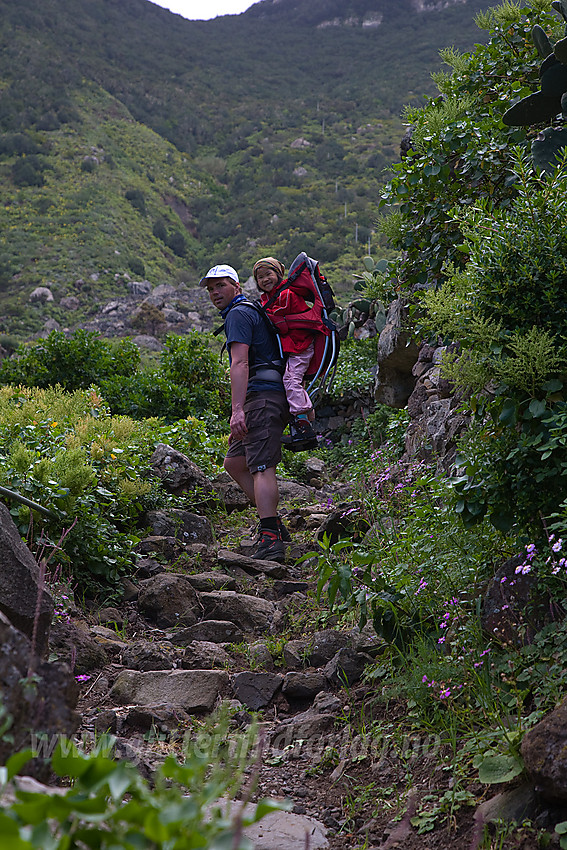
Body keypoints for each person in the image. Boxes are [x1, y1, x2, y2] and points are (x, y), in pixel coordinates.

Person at [200, 263, 291, 563]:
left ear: (236, 286)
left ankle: (270, 537)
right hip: (261, 396)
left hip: (261, 397)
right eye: (211, 289)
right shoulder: (247, 310)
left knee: (261, 466)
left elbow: (240, 363)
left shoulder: (239, 313)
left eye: (221, 285)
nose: (215, 292)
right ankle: (273, 523)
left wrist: (237, 409)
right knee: (235, 462)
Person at [253, 257, 317, 446]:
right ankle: (305, 419)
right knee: (295, 381)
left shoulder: (286, 294)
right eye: (260, 277)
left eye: (268, 274)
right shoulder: (268, 297)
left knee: (290, 380)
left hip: (301, 346)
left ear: (279, 273)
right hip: (294, 347)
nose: (265, 279)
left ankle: (304, 422)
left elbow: (278, 320)